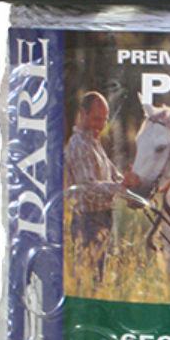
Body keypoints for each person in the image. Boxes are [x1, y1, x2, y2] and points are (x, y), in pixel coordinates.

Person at [65, 91, 123, 278]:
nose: (101, 126)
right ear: (83, 113)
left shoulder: (94, 144)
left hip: (101, 219)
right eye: (97, 119)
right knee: (88, 279)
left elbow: (113, 175)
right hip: (87, 222)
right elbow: (87, 188)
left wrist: (128, 182)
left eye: (104, 120)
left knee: (98, 279)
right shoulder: (79, 146)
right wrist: (120, 188)